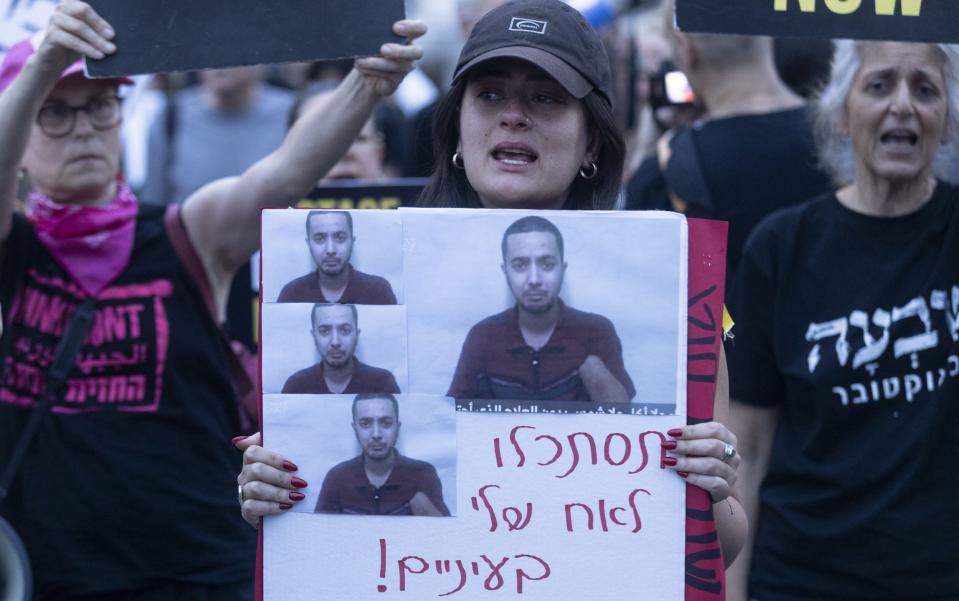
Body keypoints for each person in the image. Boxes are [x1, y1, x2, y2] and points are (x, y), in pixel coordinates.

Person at [238, 0, 746, 570]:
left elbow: (721, 548)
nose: (513, 116)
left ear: (592, 143)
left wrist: (714, 481)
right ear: (457, 129)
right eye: (490, 95)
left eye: (546, 97)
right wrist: (276, 491)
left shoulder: (672, 286)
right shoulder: (392, 284)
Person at [0, 1, 425, 598]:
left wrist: (366, 87)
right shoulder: (14, 249)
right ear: (20, 138)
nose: (84, 129)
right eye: (55, 114)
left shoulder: (187, 232)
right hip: (52, 574)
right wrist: (43, 63)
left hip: (199, 573)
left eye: (99, 107)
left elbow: (283, 176)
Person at [726, 40, 959, 601]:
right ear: (841, 116)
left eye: (925, 89)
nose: (903, 105)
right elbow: (747, 449)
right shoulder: (781, 246)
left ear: (946, 124)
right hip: (801, 577)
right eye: (879, 85)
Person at [627, 0, 833, 285]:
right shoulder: (844, 142)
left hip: (723, 331)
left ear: (685, 47)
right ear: (768, 33)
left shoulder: (662, 175)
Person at [448, 215, 635, 402]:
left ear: (562, 268)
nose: (534, 280)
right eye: (520, 265)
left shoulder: (596, 331)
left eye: (547, 264)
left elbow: (622, 418)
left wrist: (595, 373)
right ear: (505, 272)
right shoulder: (483, 336)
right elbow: (452, 416)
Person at [315, 393, 449, 516]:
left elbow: (446, 535)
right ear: (354, 428)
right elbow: (318, 535)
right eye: (365, 424)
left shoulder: (422, 474)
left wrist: (426, 509)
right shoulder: (338, 477)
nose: (376, 434)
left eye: (386, 423)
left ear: (398, 426)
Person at [277, 210, 397, 304]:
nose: (330, 250)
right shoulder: (291, 294)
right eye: (319, 239)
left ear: (352, 241)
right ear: (308, 244)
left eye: (340, 238)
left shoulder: (378, 291)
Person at [281, 303, 400, 395]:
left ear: (357, 334)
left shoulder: (382, 383)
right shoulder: (296, 385)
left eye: (345, 330)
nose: (335, 342)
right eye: (324, 331)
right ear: (314, 336)